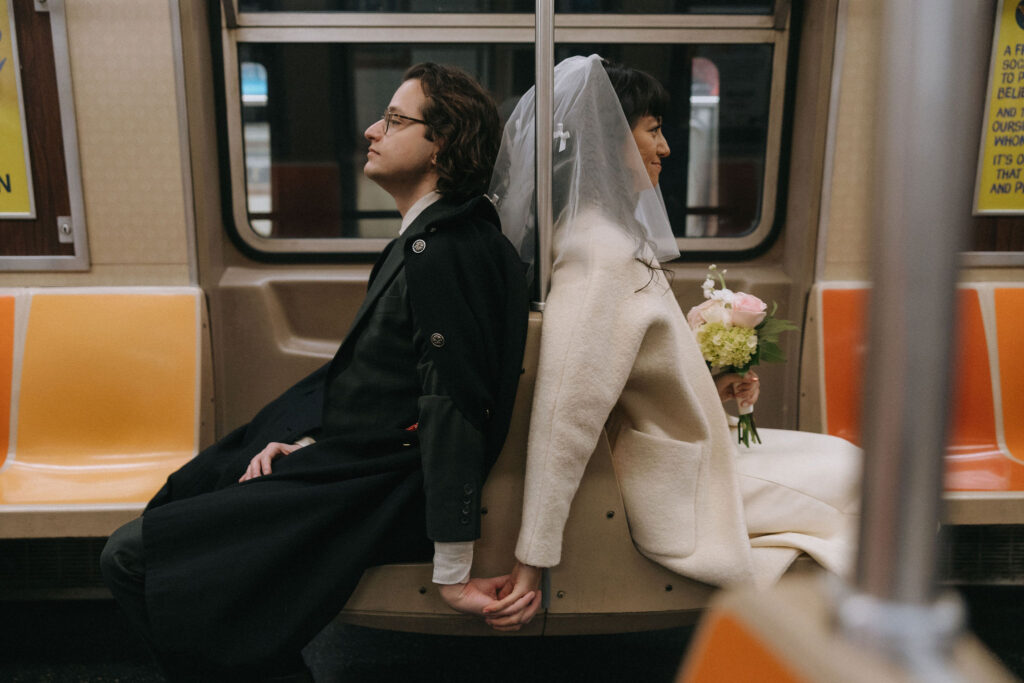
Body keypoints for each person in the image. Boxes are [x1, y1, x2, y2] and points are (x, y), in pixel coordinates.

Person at [100, 63, 529, 679]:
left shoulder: (447, 252)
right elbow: (386, 388)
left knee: (133, 556)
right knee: (195, 489)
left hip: (378, 482)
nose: (371, 130)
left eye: (396, 119)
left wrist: (452, 569)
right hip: (353, 453)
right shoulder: (429, 239)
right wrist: (305, 439)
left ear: (443, 143)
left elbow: (451, 407)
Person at [481, 55, 860, 631]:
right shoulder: (598, 251)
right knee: (862, 477)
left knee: (846, 460)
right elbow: (567, 410)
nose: (665, 149)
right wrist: (534, 556)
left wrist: (709, 382)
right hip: (668, 481)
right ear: (609, 139)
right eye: (652, 130)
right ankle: (854, 637)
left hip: (685, 449)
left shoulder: (603, 232)